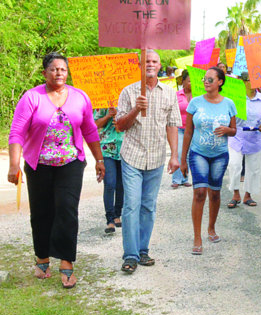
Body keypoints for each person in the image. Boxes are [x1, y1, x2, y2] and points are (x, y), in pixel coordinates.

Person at [7, 52, 105, 288]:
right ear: (45, 73)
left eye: (63, 69)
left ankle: (66, 262)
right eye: (54, 69)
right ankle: (42, 258)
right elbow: (17, 132)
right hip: (38, 164)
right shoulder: (32, 97)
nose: (59, 73)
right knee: (41, 211)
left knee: (67, 209)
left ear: (67, 72)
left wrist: (99, 159)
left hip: (70, 163)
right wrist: (14, 164)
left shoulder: (80, 97)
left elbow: (90, 130)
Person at [115, 49, 181, 274]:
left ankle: (143, 250)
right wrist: (136, 109)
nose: (150, 64)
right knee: (131, 205)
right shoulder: (129, 91)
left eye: (154, 61)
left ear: (159, 65)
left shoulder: (169, 93)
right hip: (132, 156)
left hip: (156, 158)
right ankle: (130, 255)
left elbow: (172, 125)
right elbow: (120, 125)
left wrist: (174, 155)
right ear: (140, 65)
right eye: (147, 61)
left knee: (148, 206)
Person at [180, 67, 237, 255]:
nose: (206, 82)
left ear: (220, 82)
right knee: (199, 193)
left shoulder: (229, 104)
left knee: (214, 193)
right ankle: (197, 237)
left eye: (210, 79)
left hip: (220, 154)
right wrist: (183, 159)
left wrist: (227, 130)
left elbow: (234, 130)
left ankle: (211, 228)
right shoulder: (195, 103)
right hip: (198, 153)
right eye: (204, 79)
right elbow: (188, 132)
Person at [226, 71, 261, 209]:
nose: (252, 83)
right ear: (242, 81)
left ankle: (248, 194)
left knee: (254, 168)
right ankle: (235, 193)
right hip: (237, 135)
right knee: (235, 165)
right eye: (249, 80)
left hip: (255, 136)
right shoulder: (234, 97)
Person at [94, 106, 124, 233]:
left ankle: (117, 214)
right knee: (110, 183)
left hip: (124, 147)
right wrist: (108, 116)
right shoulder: (101, 104)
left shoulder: (126, 101)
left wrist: (122, 121)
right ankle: (110, 219)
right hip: (106, 148)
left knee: (121, 184)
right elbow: (94, 125)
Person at [171, 69, 193, 188]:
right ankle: (176, 179)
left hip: (193, 129)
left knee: (188, 154)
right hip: (179, 128)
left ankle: (185, 178)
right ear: (183, 81)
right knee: (179, 152)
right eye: (189, 81)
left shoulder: (198, 95)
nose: (191, 84)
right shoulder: (176, 95)